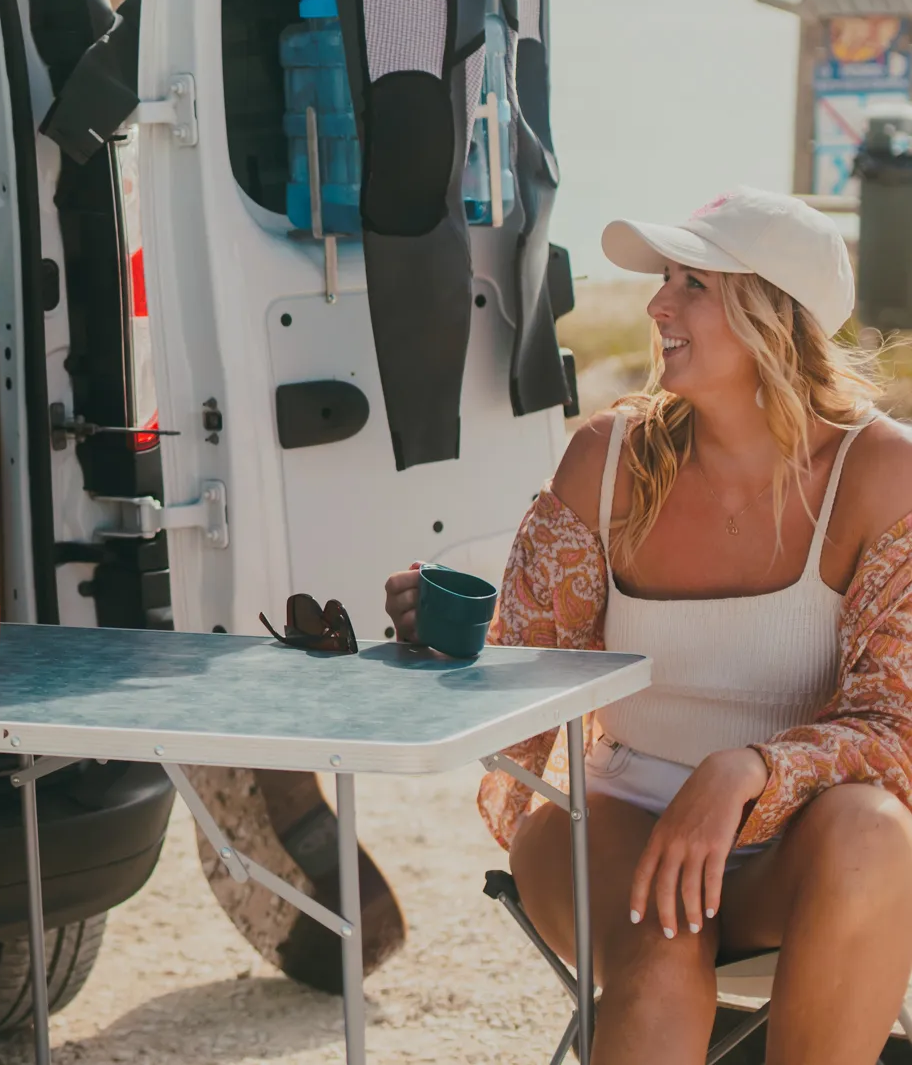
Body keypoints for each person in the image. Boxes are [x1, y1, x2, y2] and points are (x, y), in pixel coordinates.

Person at [384, 188, 912, 1064]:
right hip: (615, 816)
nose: (656, 305)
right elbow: (522, 657)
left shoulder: (882, 472)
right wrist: (441, 628)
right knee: (665, 949)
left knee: (875, 830)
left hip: (794, 855)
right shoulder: (609, 460)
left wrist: (747, 771)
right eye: (665, 279)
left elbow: (897, 722)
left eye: (692, 284)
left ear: (774, 313)